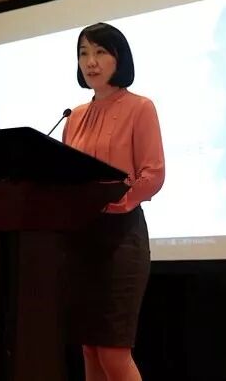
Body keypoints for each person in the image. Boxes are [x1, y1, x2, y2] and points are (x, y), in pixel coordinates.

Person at [61, 22, 165, 381]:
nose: (90, 61)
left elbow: (153, 174)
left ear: (119, 58)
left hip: (121, 237)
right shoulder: (74, 117)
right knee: (89, 347)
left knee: (112, 350)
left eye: (100, 52)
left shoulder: (140, 108)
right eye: (83, 53)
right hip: (80, 238)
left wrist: (113, 201)